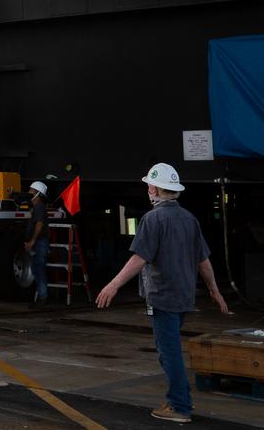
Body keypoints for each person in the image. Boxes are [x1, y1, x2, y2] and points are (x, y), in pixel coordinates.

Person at [96, 163, 229, 424]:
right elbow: (203, 261)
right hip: (184, 296)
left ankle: (179, 406)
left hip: (162, 296)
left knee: (168, 352)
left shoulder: (153, 219)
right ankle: (177, 401)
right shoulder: (189, 219)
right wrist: (215, 290)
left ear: (156, 189)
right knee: (170, 348)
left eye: (149, 186)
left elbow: (139, 259)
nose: (147, 189)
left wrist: (113, 285)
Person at [24, 180, 50, 307]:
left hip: (40, 243)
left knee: (39, 269)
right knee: (36, 269)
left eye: (31, 190)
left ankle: (43, 298)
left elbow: (39, 224)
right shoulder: (35, 207)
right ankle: (41, 297)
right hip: (38, 243)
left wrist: (33, 240)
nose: (29, 192)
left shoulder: (39, 207)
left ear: (37, 193)